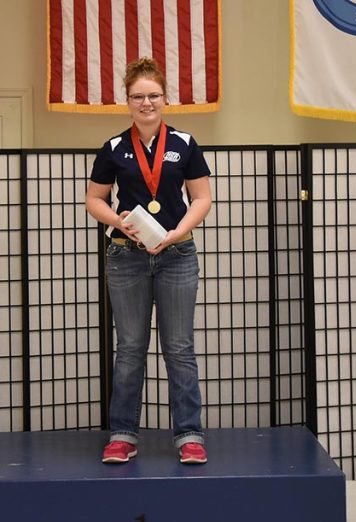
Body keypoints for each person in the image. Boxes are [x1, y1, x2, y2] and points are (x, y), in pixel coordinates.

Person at [85, 58, 213, 465]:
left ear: (165, 99)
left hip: (177, 254)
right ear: (127, 101)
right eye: (138, 96)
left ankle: (189, 435)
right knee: (131, 349)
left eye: (153, 95)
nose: (146, 103)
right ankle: (122, 434)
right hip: (127, 256)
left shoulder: (185, 144)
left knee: (179, 348)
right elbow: (94, 199)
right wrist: (118, 220)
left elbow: (203, 198)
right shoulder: (113, 148)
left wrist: (177, 232)